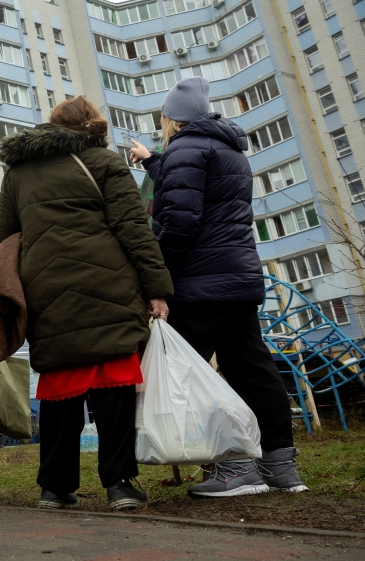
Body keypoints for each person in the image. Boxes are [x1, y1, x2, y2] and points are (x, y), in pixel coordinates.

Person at [0, 96, 173, 511]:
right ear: (93, 125)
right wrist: (156, 288)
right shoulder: (104, 162)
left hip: (47, 293)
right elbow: (134, 229)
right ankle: (120, 484)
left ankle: (54, 487)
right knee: (114, 387)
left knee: (60, 388)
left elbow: (3, 240)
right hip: (107, 286)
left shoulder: (17, 174)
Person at [129, 76, 308, 497]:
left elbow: (180, 221)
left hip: (199, 283)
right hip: (239, 277)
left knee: (189, 377)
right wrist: (154, 160)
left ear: (171, 118)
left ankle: (234, 465)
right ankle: (280, 466)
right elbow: (200, 191)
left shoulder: (184, 150)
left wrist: (156, 274)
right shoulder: (227, 149)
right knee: (253, 369)